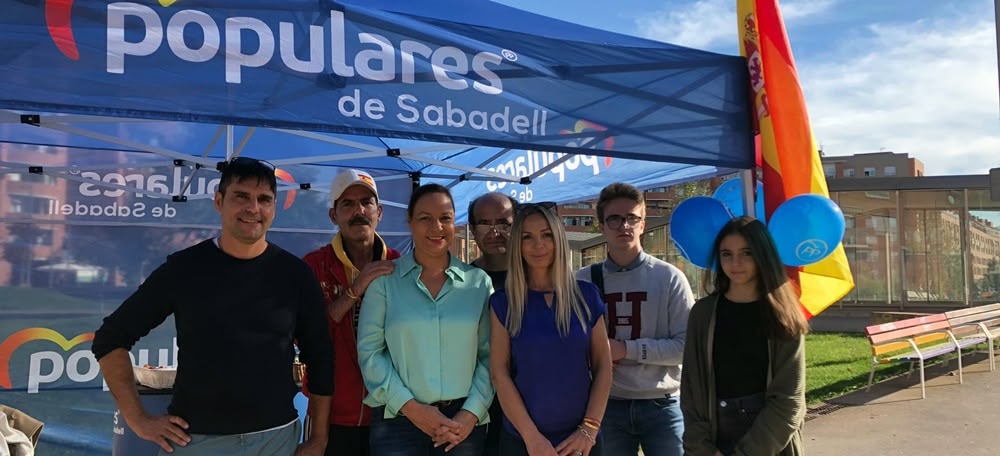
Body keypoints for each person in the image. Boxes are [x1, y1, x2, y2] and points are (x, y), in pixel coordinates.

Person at [91, 156, 334, 455]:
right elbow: (110, 339)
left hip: (276, 440)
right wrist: (137, 419)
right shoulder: (184, 269)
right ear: (219, 201)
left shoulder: (295, 275)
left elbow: (321, 358)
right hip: (198, 441)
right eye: (241, 197)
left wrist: (318, 438)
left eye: (264, 199)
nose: (253, 208)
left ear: (274, 207)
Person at [357, 183, 494, 456]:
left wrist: (471, 414)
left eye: (445, 218)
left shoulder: (479, 283)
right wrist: (413, 409)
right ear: (409, 222)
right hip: (399, 421)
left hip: (462, 424)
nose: (437, 227)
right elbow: (370, 354)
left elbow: (491, 356)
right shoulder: (384, 281)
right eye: (425, 218)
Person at [575, 182, 694, 456]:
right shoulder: (582, 281)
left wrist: (625, 349)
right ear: (602, 226)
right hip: (606, 405)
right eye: (614, 219)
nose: (624, 226)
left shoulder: (669, 277)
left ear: (643, 224)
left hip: (662, 404)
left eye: (632, 218)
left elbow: (687, 347)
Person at [490, 202, 613, 456]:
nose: (539, 245)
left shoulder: (587, 297)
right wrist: (532, 438)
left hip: (581, 441)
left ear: (558, 239)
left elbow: (604, 365)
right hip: (522, 441)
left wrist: (589, 428)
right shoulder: (503, 302)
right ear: (517, 245)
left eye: (547, 235)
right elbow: (499, 374)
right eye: (528, 237)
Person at [680, 216, 807, 456]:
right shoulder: (703, 313)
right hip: (714, 436)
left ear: (762, 255)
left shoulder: (783, 315)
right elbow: (690, 390)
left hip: (769, 441)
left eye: (746, 253)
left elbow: (789, 400)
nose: (735, 262)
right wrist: (702, 449)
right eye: (726, 254)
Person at [301, 169, 401, 456]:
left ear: (379, 212)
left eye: (366, 203)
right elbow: (306, 338)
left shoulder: (401, 265)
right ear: (333, 215)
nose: (359, 211)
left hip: (392, 414)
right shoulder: (313, 265)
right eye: (347, 204)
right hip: (329, 418)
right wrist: (355, 289)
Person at [467, 191, 517, 456]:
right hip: (474, 411)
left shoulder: (538, 280)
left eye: (503, 222)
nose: (494, 231)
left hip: (527, 409)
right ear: (472, 230)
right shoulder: (461, 282)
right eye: (485, 223)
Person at [468, 192, 517, 287]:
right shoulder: (463, 283)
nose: (494, 234)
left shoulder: (537, 277)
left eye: (503, 225)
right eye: (484, 225)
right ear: (472, 230)